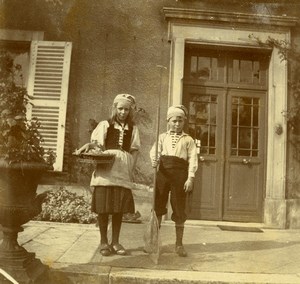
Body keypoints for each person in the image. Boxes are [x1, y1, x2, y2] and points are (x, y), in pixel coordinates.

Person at [76, 94, 140, 256]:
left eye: (126, 109)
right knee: (104, 208)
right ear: (114, 108)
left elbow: (134, 150)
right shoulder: (105, 124)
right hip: (107, 168)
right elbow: (98, 145)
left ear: (130, 111)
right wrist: (90, 145)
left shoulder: (133, 128)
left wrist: (130, 167)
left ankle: (116, 241)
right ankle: (104, 242)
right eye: (120, 108)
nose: (123, 112)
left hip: (123, 169)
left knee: (118, 208)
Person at [149, 105, 198, 257]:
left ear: (184, 122)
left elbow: (193, 159)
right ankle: (154, 242)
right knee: (158, 206)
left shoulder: (188, 140)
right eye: (174, 121)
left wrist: (190, 178)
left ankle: (179, 244)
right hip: (163, 174)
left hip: (180, 176)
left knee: (179, 207)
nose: (177, 124)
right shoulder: (162, 137)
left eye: (180, 121)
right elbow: (154, 151)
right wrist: (154, 160)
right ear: (168, 121)